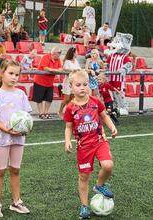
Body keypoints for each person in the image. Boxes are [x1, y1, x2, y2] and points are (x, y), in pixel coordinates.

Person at [63, 70, 117, 219]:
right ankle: (84, 206)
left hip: (99, 141)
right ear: (71, 86)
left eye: (85, 85)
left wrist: (112, 126)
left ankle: (99, 185)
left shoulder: (95, 101)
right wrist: (67, 141)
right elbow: (68, 127)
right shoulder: (70, 108)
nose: (82, 88)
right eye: (78, 85)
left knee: (108, 165)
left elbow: (104, 116)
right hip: (84, 148)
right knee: (84, 176)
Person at [0, 60, 32, 218]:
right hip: (2, 137)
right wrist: (6, 129)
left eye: (17, 74)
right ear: (2, 73)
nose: (14, 77)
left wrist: (25, 128)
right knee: (0, 171)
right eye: (11, 73)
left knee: (15, 169)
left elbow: (26, 116)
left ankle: (16, 202)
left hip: (18, 139)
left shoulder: (21, 94)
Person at [32, 47, 63, 119]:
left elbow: (61, 68)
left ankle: (46, 112)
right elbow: (45, 68)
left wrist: (55, 70)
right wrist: (56, 70)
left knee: (49, 98)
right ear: (54, 53)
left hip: (50, 82)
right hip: (40, 81)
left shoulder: (58, 59)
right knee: (39, 99)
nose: (60, 54)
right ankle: (41, 113)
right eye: (59, 53)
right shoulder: (45, 57)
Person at [58, 47, 81, 117]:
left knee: (72, 98)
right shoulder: (67, 61)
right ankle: (60, 111)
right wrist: (73, 70)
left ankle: (69, 112)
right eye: (76, 52)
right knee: (67, 98)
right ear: (73, 53)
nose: (77, 53)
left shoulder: (76, 61)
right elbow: (65, 69)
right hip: (68, 82)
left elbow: (79, 69)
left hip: (75, 82)